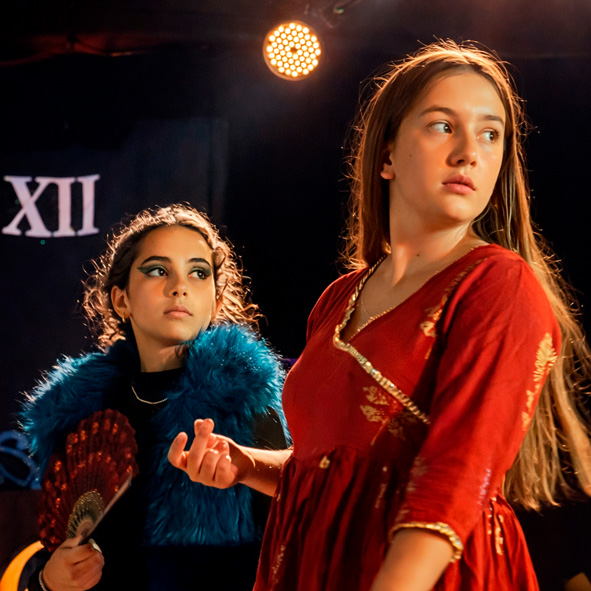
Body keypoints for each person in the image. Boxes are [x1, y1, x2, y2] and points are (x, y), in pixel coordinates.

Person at [168, 41, 591, 591]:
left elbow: (459, 474)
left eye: (491, 134)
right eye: (443, 126)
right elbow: (336, 471)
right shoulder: (339, 297)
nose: (470, 152)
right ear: (387, 155)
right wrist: (248, 465)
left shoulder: (497, 284)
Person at [20, 203, 287, 591]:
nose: (179, 286)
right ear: (121, 300)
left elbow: (291, 545)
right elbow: (60, 550)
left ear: (215, 302)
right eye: (158, 270)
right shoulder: (75, 416)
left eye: (199, 273)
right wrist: (48, 580)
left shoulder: (246, 403)